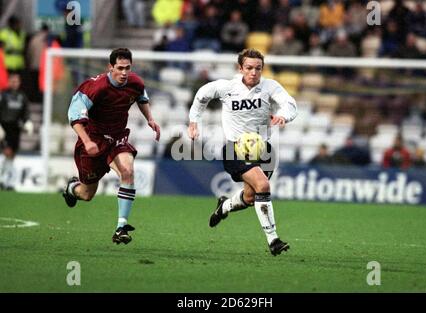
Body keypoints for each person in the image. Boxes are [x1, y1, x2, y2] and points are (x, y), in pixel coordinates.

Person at [188, 48, 298, 256]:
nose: (254, 72)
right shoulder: (226, 87)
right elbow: (202, 96)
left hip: (262, 150)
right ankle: (273, 239)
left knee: (249, 198)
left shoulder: (270, 87)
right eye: (249, 68)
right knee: (263, 185)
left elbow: (290, 104)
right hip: (234, 149)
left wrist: (284, 115)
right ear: (240, 68)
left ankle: (225, 206)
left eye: (258, 68)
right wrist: (194, 121)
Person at [62, 48, 161, 245]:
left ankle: (121, 227)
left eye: (128, 68)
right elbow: (74, 117)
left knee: (127, 171)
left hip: (117, 138)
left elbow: (141, 97)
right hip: (93, 141)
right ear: (110, 67)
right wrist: (87, 141)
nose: (124, 73)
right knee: (87, 194)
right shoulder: (94, 87)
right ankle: (71, 188)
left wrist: (150, 119)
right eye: (120, 68)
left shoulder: (135, 82)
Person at [0, 73, 33, 190]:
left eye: (17, 81)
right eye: (13, 81)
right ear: (9, 82)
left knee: (12, 155)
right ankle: (4, 180)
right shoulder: (3, 94)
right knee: (7, 152)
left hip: (16, 129)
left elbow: (26, 112)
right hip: (4, 128)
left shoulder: (22, 96)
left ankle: (6, 180)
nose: (15, 83)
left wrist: (28, 122)